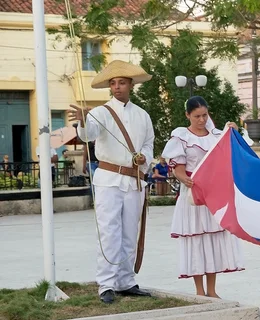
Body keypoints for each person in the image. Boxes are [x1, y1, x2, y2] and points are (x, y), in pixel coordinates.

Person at [68, 60, 155, 304]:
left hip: (134, 180)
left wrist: (144, 158)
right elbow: (88, 136)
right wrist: (83, 121)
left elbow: (149, 143)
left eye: (122, 83)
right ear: (110, 87)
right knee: (109, 233)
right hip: (108, 180)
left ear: (131, 85)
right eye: (113, 83)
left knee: (130, 232)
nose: (117, 87)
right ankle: (106, 284)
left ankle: (126, 281)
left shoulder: (142, 115)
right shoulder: (99, 113)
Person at [162, 96, 244, 298]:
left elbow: (230, 157)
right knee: (196, 240)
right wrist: (185, 179)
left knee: (213, 239)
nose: (201, 119)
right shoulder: (181, 137)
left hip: (212, 196)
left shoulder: (216, 136)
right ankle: (199, 290)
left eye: (204, 115)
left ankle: (212, 290)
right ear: (187, 115)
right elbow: (177, 169)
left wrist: (234, 133)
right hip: (192, 196)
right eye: (197, 116)